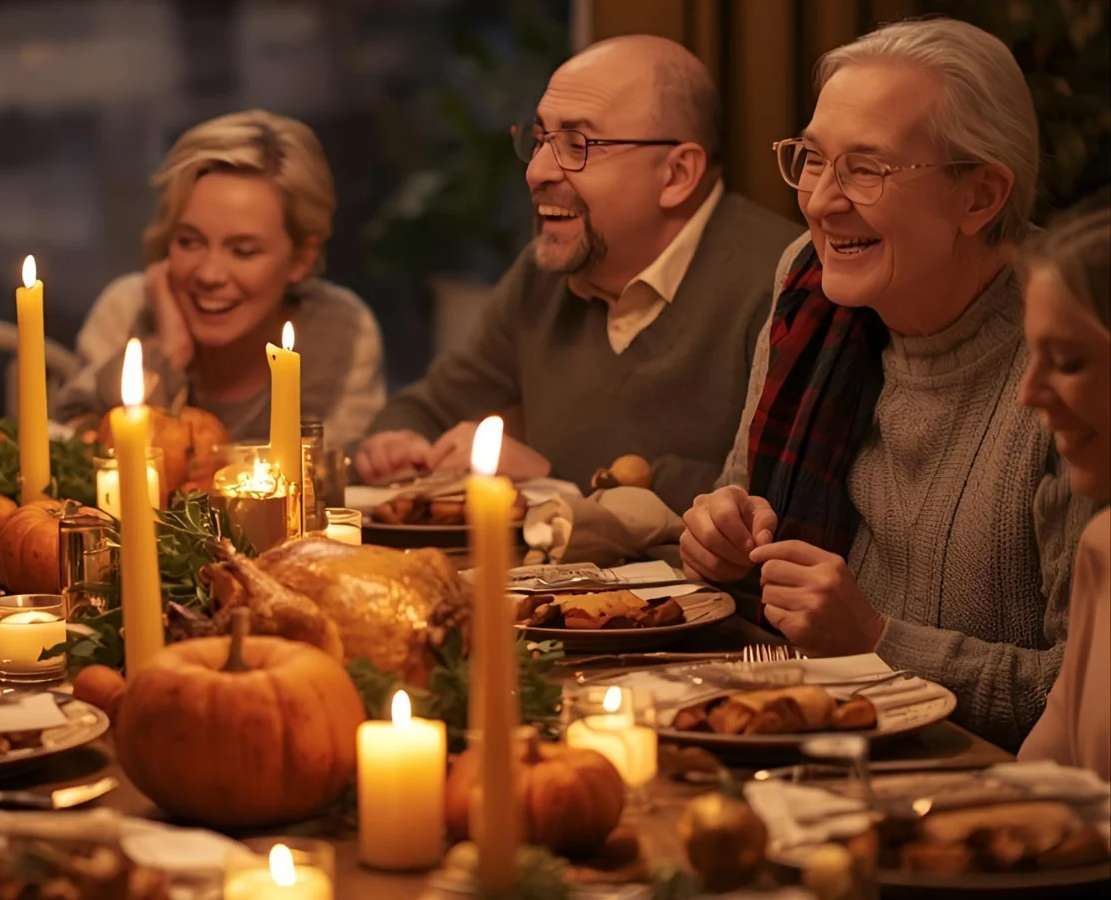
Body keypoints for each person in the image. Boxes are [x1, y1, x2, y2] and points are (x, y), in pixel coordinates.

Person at [679, 18, 1101, 750]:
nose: (820, 201)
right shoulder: (807, 288)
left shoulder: (1067, 364)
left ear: (981, 196)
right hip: (798, 736)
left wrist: (876, 640)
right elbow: (744, 497)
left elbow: (1078, 697)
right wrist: (719, 535)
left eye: (866, 169)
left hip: (982, 796)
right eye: (811, 160)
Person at [354, 35, 799, 513]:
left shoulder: (784, 285)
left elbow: (765, 508)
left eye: (577, 144)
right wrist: (395, 444)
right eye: (541, 139)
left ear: (676, 174)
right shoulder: (543, 273)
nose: (537, 171)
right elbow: (427, 408)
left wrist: (553, 485)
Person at [56, 109, 385, 450]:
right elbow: (76, 447)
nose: (209, 274)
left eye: (243, 251)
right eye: (189, 242)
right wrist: (166, 354)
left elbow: (332, 482)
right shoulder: (127, 309)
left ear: (300, 259)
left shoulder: (341, 331)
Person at [1015, 201, 1110, 779]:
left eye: (1069, 362)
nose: (1028, 393)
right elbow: (1044, 781)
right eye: (1032, 357)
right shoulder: (1102, 546)